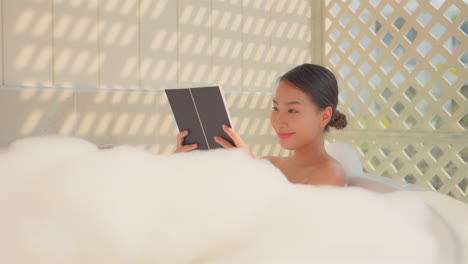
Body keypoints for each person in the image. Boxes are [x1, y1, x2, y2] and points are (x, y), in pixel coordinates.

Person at [175, 63, 348, 187]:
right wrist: (181, 162)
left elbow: (294, 231)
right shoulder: (268, 164)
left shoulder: (330, 173)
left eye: (292, 110)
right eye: (275, 108)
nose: (278, 121)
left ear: (324, 116)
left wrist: (252, 170)